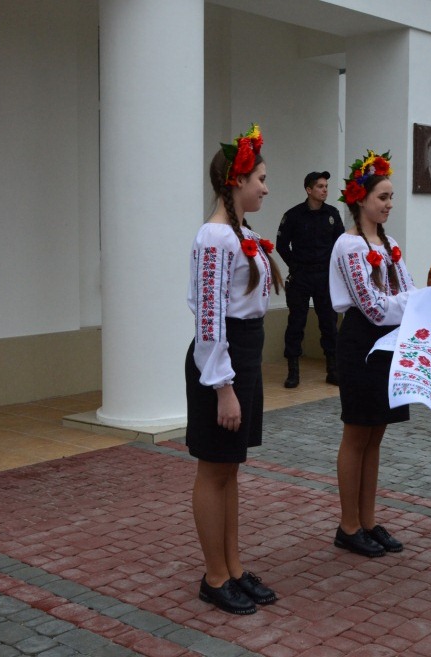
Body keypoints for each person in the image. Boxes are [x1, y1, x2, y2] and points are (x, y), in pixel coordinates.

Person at [185, 123, 283, 615]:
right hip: (218, 360)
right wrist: (222, 386)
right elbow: (208, 316)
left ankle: (234, 566)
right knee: (213, 467)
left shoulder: (241, 233)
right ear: (237, 181)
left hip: (242, 354)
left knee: (231, 469)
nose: (266, 187)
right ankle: (214, 575)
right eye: (260, 178)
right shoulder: (214, 237)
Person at [328, 149, 417, 557]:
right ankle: (348, 525)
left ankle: (368, 519)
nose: (389, 204)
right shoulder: (348, 246)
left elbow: (408, 289)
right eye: (382, 196)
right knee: (357, 431)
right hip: (363, 341)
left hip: (390, 342)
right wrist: (413, 306)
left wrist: (426, 300)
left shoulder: (389, 242)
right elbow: (374, 305)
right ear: (360, 199)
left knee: (376, 433)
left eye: (391, 196)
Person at [276, 171, 345, 388]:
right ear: (309, 189)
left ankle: (332, 370)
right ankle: (293, 371)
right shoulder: (294, 215)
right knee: (296, 323)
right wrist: (294, 266)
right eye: (320, 186)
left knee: (329, 323)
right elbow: (281, 244)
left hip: (325, 276)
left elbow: (340, 245)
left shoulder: (332, 214)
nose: (325, 190)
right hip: (301, 276)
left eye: (326, 186)